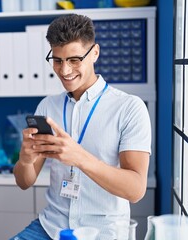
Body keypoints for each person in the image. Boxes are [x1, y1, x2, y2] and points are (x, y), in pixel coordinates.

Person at [11, 14, 151, 240]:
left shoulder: (129, 108)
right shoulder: (47, 107)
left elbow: (135, 190)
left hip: (103, 233)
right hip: (50, 228)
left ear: (94, 53)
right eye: (57, 60)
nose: (64, 71)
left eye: (74, 60)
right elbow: (24, 182)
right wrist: (25, 160)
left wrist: (80, 158)